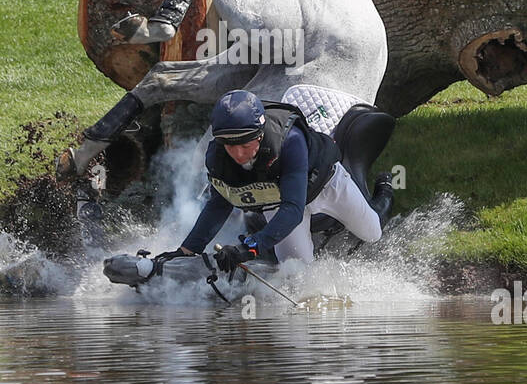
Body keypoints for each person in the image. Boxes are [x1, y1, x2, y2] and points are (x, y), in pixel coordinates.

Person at [165, 90, 393, 271]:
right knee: (295, 273)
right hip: (278, 200)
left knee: (372, 233)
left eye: (245, 145)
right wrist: (188, 250)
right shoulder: (217, 156)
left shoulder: (290, 140)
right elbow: (219, 203)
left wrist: (250, 248)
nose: (238, 154)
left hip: (325, 186)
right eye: (229, 145)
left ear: (261, 134)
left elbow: (293, 209)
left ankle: (384, 191)